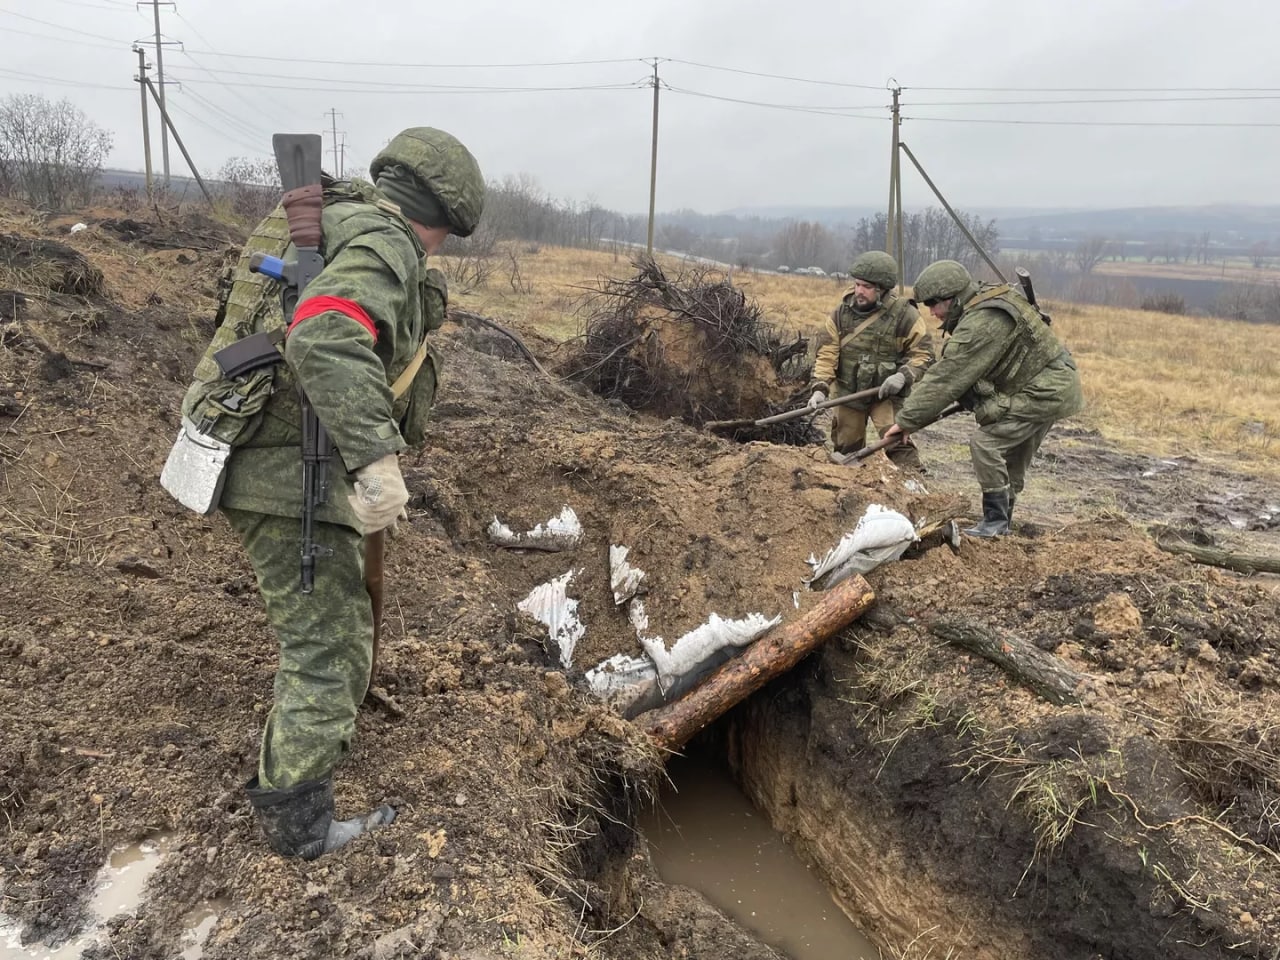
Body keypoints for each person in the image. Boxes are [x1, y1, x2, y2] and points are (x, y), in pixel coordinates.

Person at [177, 127, 484, 859]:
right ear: (442, 219)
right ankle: (300, 826)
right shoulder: (385, 243)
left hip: (254, 444)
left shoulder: (336, 218)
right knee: (330, 645)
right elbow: (323, 336)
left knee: (325, 629)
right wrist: (377, 460)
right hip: (289, 468)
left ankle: (311, 743)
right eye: (445, 236)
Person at [883, 260, 1083, 538]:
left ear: (952, 298)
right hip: (1052, 386)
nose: (931, 313)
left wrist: (906, 421)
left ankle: (995, 522)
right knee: (1012, 455)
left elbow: (947, 377)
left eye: (933, 304)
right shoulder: (982, 300)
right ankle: (1001, 523)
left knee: (986, 444)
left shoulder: (983, 322)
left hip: (1044, 392)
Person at [807, 251, 934, 468]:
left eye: (866, 287)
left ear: (882, 289)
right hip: (848, 394)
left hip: (886, 396)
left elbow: (923, 353)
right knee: (846, 452)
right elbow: (827, 354)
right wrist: (820, 388)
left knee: (897, 442)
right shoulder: (840, 314)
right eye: (857, 284)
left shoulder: (905, 315)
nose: (859, 291)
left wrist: (903, 376)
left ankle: (912, 482)